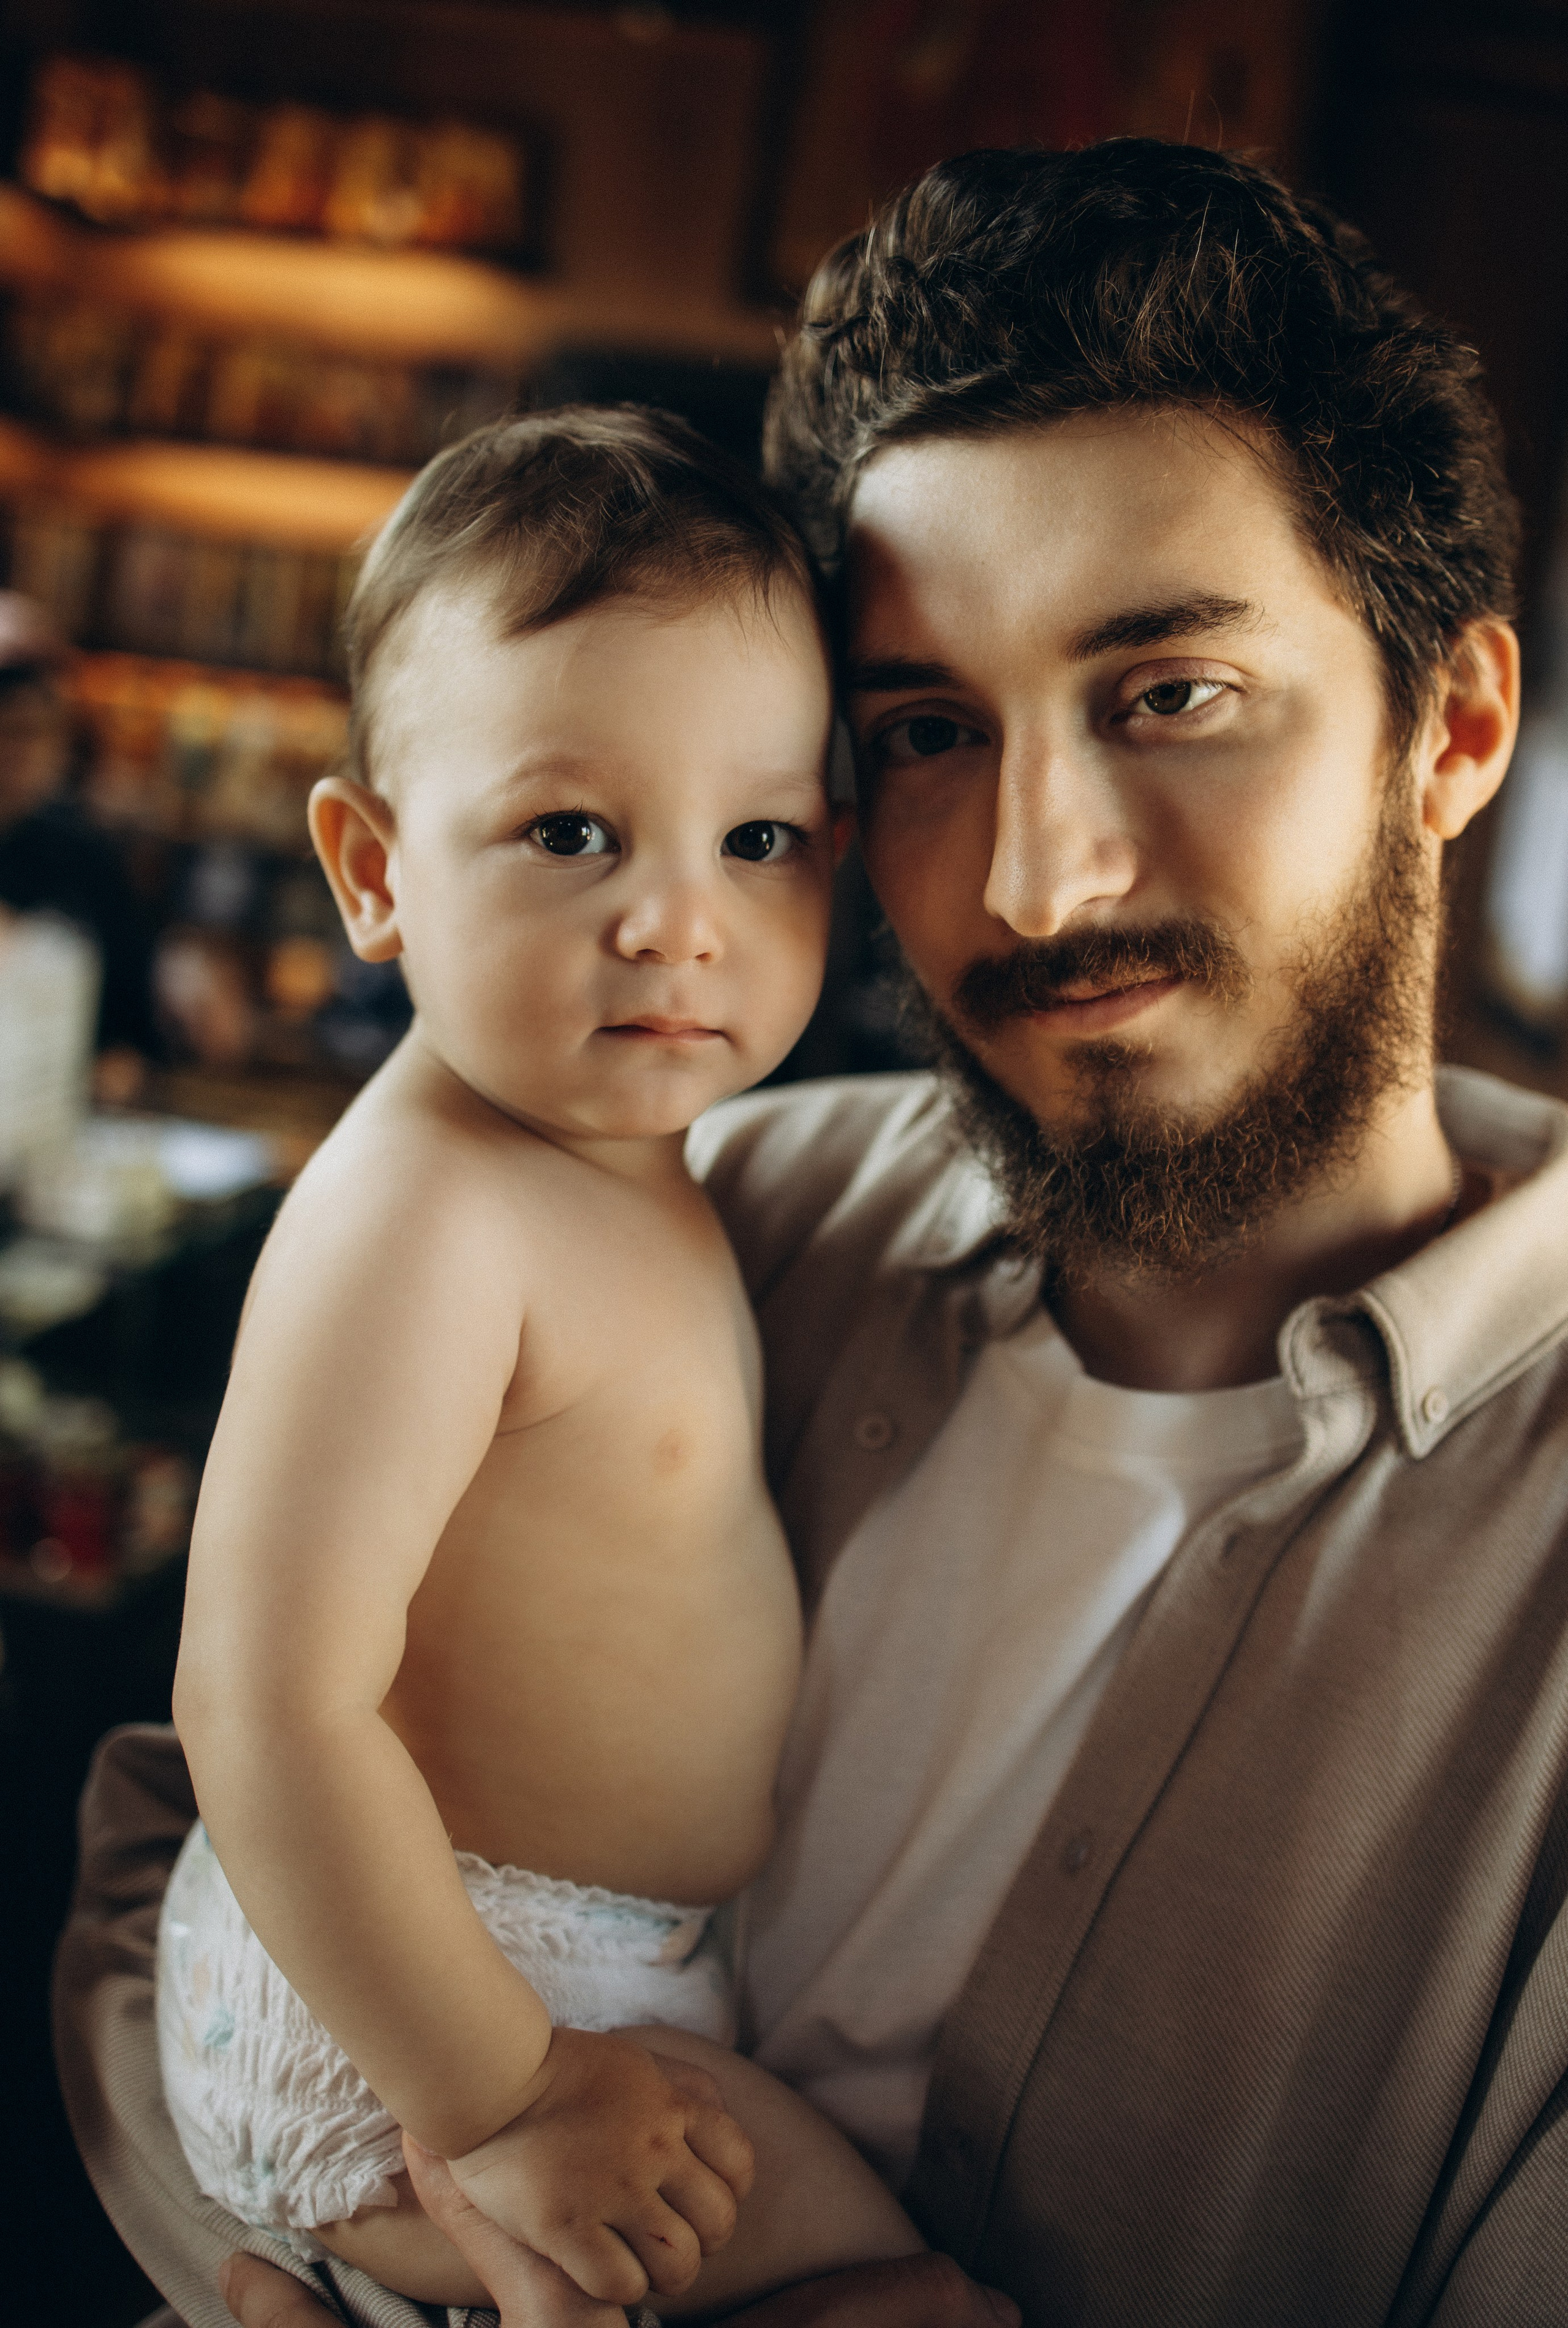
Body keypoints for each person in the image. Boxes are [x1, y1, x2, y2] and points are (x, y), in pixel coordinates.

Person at [53, 139, 1568, 2328]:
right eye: (929, 733)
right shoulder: (729, 1196)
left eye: (1170, 694)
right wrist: (301, 2271)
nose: (1036, 877)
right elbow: (168, 1851)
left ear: (1454, 727)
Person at [149, 406, 922, 2318]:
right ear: (374, 870)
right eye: (571, 831)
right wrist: (505, 2086)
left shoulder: (646, 1166)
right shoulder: (427, 1211)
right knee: (900, 2292)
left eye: (756, 839)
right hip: (424, 1990)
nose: (677, 918)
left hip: (554, 1981)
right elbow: (262, 1698)